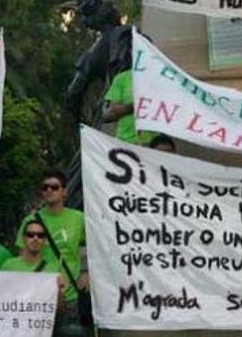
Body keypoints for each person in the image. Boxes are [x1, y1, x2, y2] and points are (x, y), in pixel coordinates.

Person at [15, 171, 86, 316]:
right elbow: (22, 257)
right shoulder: (30, 220)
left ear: (64, 192)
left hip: (69, 294)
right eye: (45, 187)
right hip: (38, 297)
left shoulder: (78, 218)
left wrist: (87, 272)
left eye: (54, 187)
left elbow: (95, 248)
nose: (49, 190)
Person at [102, 69, 158, 145]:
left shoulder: (162, 79)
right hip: (125, 140)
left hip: (154, 142)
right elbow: (114, 110)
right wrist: (137, 105)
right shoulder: (122, 78)